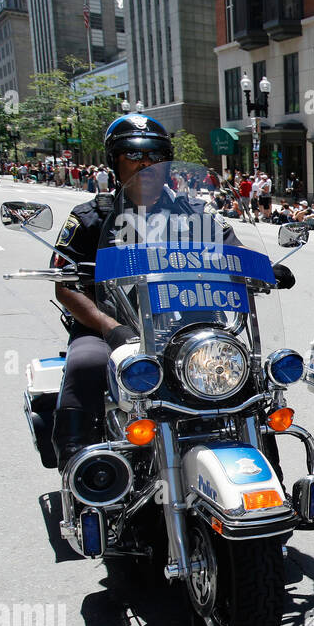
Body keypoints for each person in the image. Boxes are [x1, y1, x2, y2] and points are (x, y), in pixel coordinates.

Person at [45, 114, 249, 465]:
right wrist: (111, 328)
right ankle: (78, 466)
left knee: (245, 370)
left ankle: (263, 459)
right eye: (134, 155)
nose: (146, 164)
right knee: (85, 363)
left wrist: (262, 267)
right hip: (111, 327)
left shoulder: (194, 212)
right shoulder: (92, 217)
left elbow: (236, 251)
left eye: (156, 156)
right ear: (114, 162)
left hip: (187, 325)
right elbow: (65, 284)